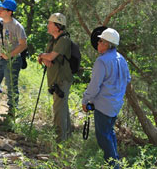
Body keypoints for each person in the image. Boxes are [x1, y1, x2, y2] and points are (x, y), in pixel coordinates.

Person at [82, 28, 131, 168]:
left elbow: (94, 86)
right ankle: (116, 162)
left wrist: (85, 100)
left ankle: (114, 165)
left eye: (100, 40)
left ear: (107, 44)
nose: (98, 43)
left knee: (103, 137)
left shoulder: (101, 61)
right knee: (110, 132)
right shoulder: (121, 59)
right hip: (115, 104)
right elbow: (127, 79)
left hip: (103, 106)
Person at [38, 13, 73, 142]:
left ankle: (60, 140)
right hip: (55, 80)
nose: (47, 25)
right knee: (61, 107)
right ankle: (67, 137)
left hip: (62, 79)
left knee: (59, 109)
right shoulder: (53, 40)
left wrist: (44, 56)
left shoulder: (64, 40)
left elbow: (50, 57)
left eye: (50, 23)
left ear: (57, 26)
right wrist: (44, 57)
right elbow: (46, 58)